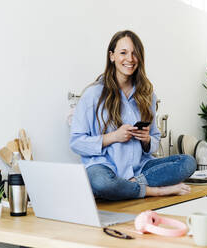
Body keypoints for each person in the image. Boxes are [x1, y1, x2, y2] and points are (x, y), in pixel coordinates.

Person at [70, 30, 196, 201]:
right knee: (103, 183)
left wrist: (146, 140)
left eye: (135, 53)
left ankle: (129, 186)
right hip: (103, 167)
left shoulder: (147, 95)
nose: (130, 59)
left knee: (188, 162)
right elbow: (76, 143)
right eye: (123, 53)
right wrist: (113, 137)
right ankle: (154, 191)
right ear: (112, 56)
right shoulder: (93, 94)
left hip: (140, 167)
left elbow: (155, 139)